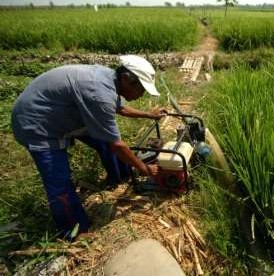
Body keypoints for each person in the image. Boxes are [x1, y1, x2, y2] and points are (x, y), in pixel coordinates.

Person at [11, 55, 166, 239]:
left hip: (65, 111)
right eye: (141, 89)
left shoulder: (110, 79)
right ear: (127, 79)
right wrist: (145, 168)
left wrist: (149, 114)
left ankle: (120, 176)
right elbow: (116, 145)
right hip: (36, 122)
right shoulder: (98, 93)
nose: (142, 95)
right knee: (60, 182)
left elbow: (120, 108)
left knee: (104, 139)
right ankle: (74, 232)